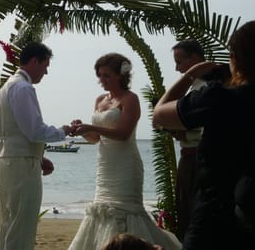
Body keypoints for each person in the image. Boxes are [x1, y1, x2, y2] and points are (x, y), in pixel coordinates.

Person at [153, 17, 255, 250]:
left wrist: (190, 74)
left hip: (214, 227)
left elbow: (159, 114)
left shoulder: (218, 98)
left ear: (235, 60)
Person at [68, 53, 181, 250]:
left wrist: (92, 127)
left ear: (120, 76)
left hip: (126, 164)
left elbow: (123, 133)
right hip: (105, 165)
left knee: (126, 210)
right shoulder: (100, 100)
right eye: (100, 75)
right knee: (101, 209)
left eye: (107, 75)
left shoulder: (130, 99)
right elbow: (96, 139)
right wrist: (83, 131)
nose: (102, 80)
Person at [0, 42, 73, 250]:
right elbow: (34, 130)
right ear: (34, 61)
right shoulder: (23, 87)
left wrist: (38, 156)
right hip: (20, 164)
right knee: (23, 225)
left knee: (10, 223)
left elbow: (16, 132)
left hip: (8, 160)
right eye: (45, 66)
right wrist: (64, 131)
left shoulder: (6, 87)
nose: (45, 72)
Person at [169, 40, 205, 241]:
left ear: (194, 59)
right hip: (188, 157)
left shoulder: (205, 88)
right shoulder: (193, 89)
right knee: (185, 211)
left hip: (197, 158)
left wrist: (180, 129)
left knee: (192, 212)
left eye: (179, 61)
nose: (177, 68)